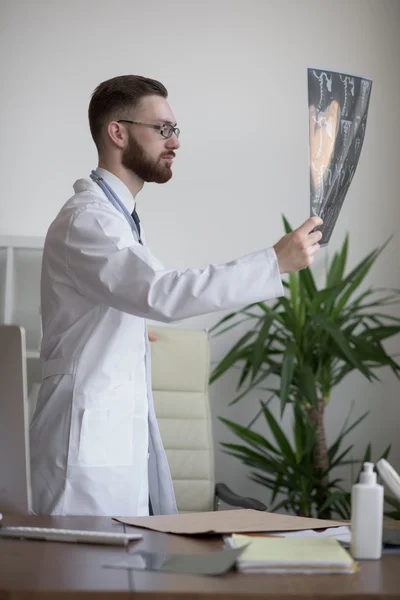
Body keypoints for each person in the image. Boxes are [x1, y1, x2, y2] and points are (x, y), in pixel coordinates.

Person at [30, 75, 322, 517]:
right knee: (79, 580)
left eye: (175, 130)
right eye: (163, 129)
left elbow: (119, 296)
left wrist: (125, 333)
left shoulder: (117, 219)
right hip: (81, 466)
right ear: (118, 132)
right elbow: (159, 292)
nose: (175, 142)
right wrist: (273, 263)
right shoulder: (88, 221)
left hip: (110, 450)